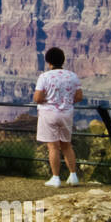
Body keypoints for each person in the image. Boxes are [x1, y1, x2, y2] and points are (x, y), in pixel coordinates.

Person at [35, 46, 82, 187]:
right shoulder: (72, 76)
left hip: (49, 114)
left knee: (53, 147)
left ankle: (55, 178)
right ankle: (73, 176)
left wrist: (47, 100)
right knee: (67, 146)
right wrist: (66, 101)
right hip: (66, 113)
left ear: (48, 61)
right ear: (63, 61)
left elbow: (37, 97)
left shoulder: (44, 77)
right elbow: (79, 96)